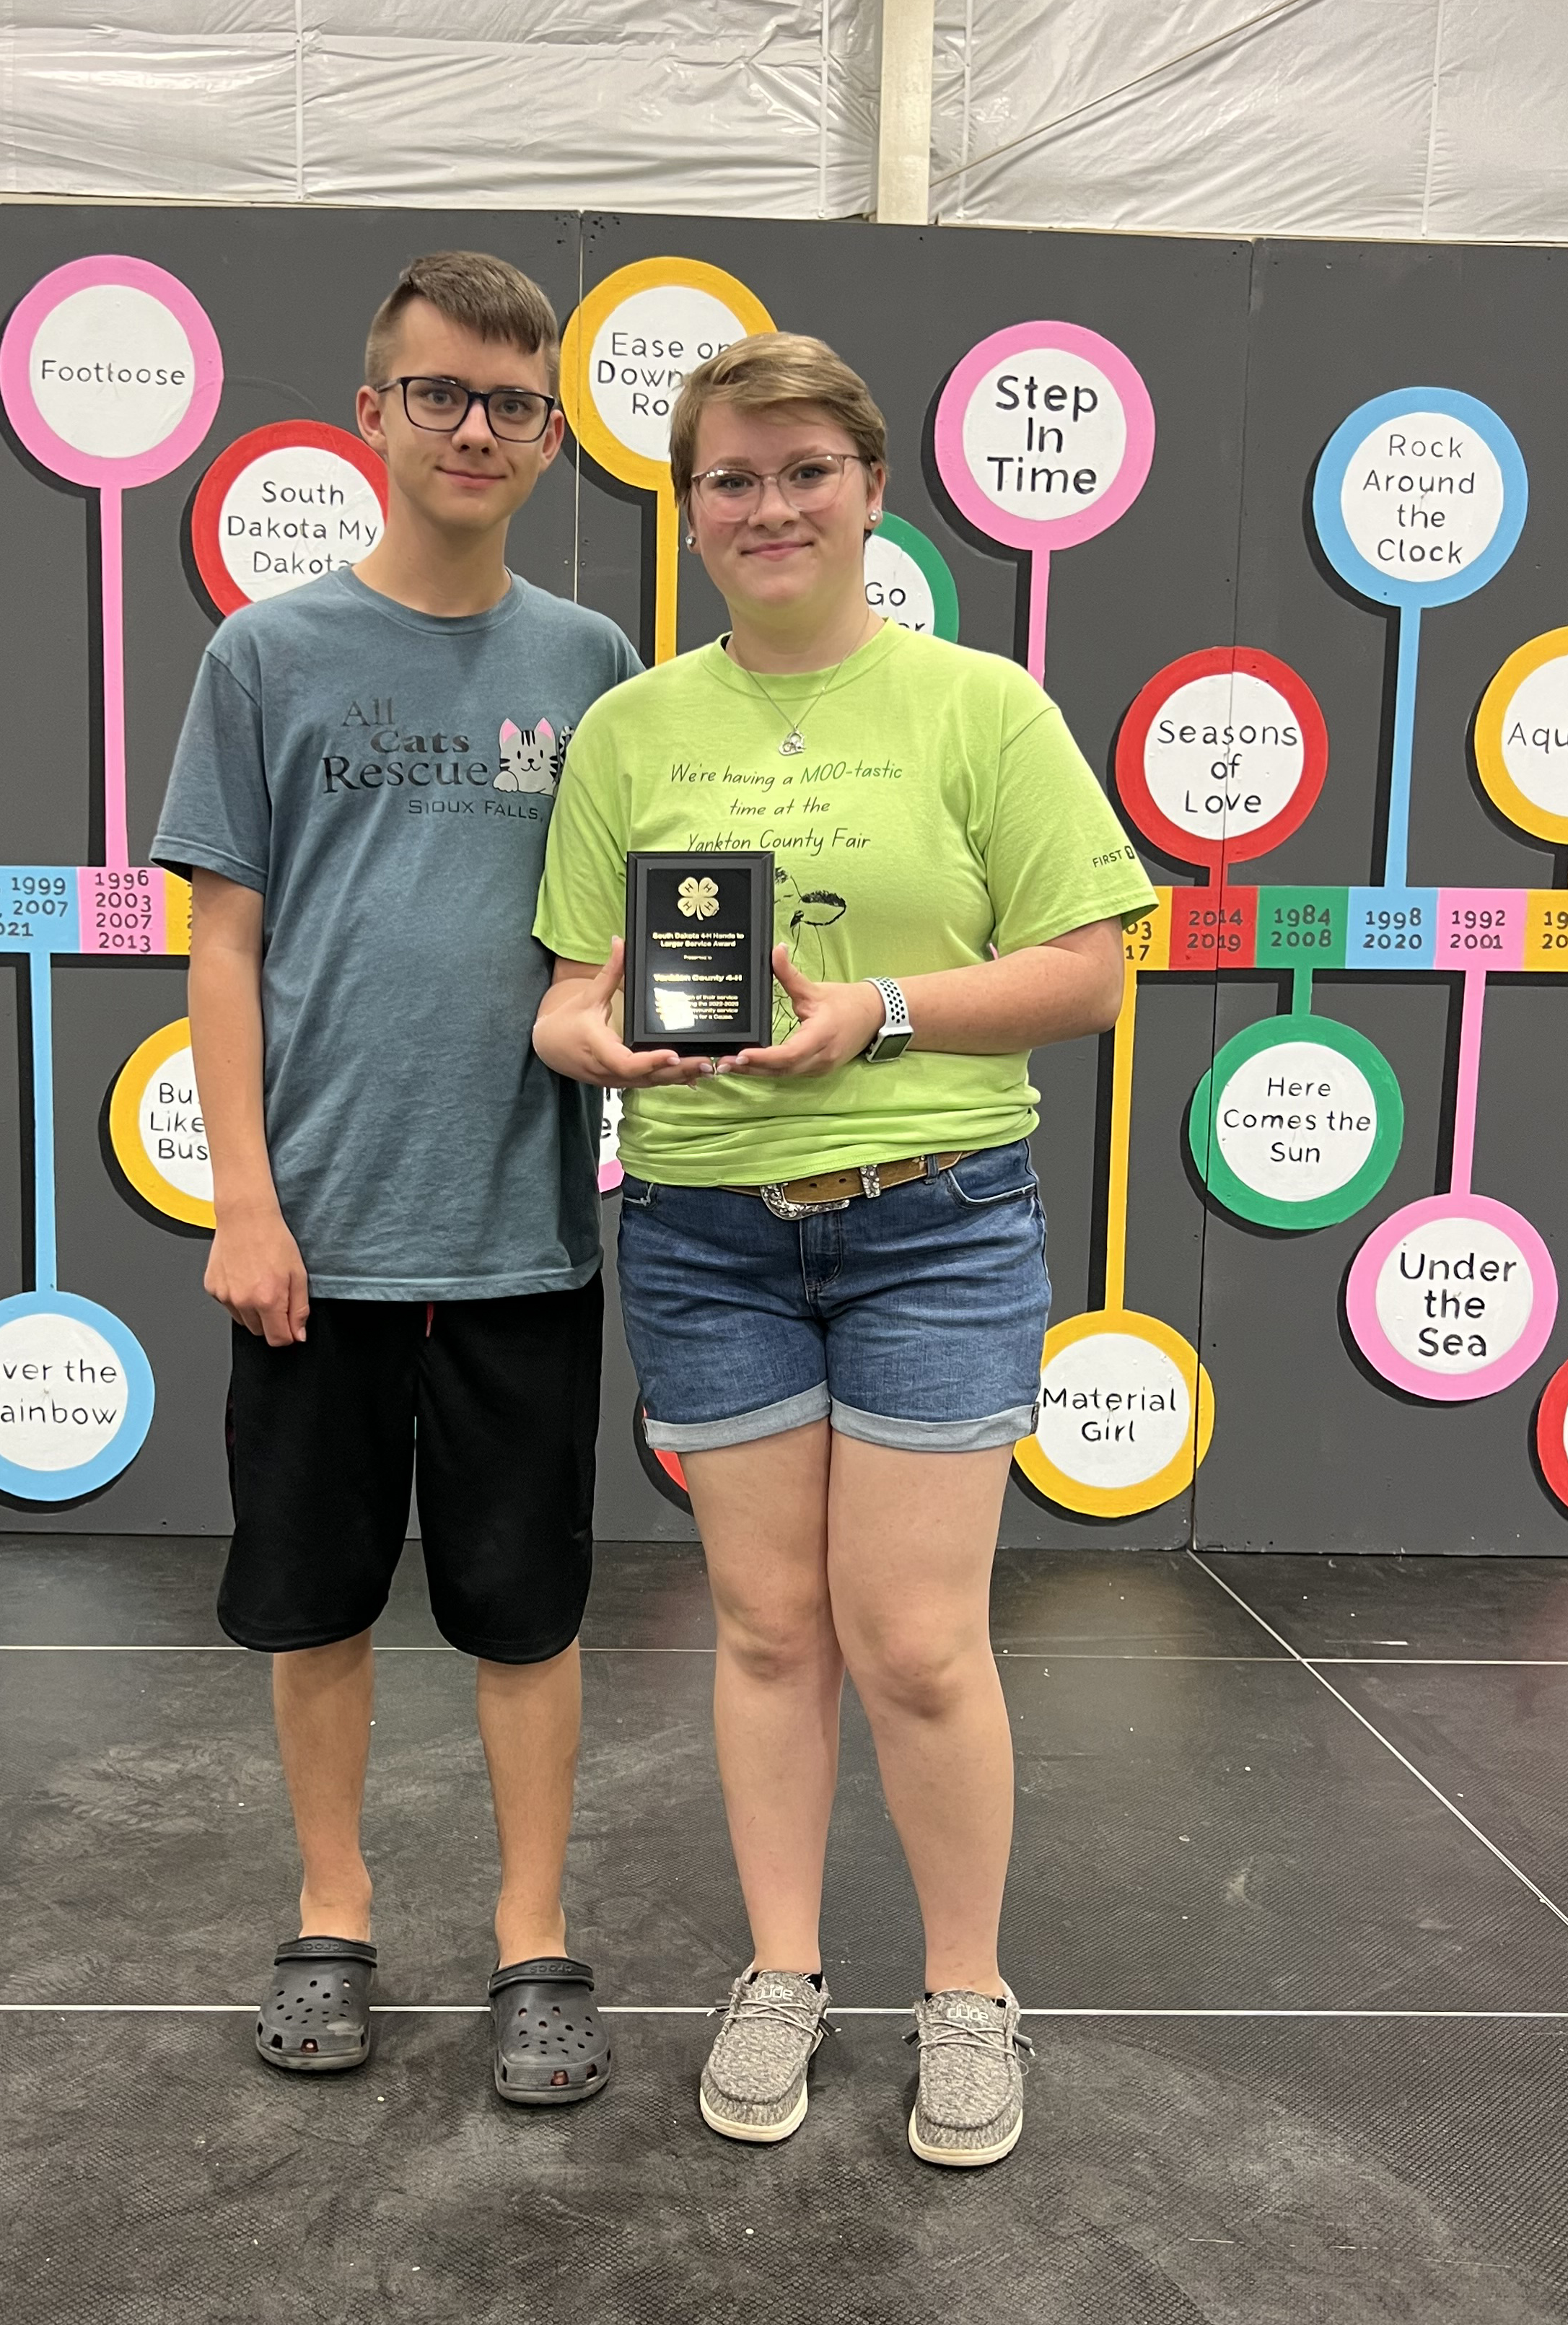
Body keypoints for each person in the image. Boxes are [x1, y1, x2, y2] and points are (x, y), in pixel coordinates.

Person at [532, 332, 1155, 2166]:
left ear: (874, 490)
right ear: (688, 508)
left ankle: (967, 1991)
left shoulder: (984, 707)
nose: (769, 503)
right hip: (706, 1233)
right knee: (763, 1625)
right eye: (730, 475)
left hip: (935, 1230)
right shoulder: (634, 728)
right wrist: (616, 1045)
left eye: (805, 468)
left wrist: (876, 1013)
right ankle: (784, 1969)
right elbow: (566, 998)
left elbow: (1088, 972)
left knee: (916, 1641)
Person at [152, 251, 646, 2106]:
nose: (475, 429)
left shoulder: (591, 668)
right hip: (319, 1238)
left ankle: (535, 1941)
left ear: (546, 435)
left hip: (522, 1237)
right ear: (371, 414)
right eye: (439, 393)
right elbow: (221, 950)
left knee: (527, 1609)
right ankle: (333, 1915)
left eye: (514, 403)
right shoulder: (264, 656)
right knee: (320, 1600)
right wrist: (247, 1199)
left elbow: (613, 950)